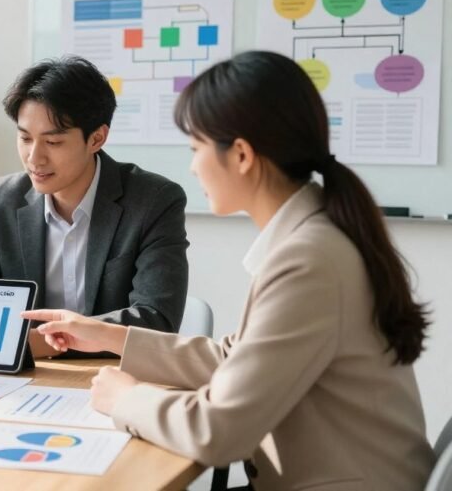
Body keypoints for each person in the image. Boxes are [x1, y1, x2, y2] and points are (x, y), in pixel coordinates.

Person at [23, 50, 435, 490]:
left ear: (240, 155)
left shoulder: (309, 260)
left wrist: (126, 398)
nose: (192, 165)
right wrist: (103, 334)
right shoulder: (315, 237)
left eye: (196, 147)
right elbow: (232, 358)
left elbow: (218, 433)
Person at [0, 55, 189, 358]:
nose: (34, 159)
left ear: (97, 138)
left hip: (109, 378)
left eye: (53, 143)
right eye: (25, 138)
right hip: (24, 377)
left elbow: (156, 322)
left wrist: (36, 343)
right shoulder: (3, 198)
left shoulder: (153, 201)